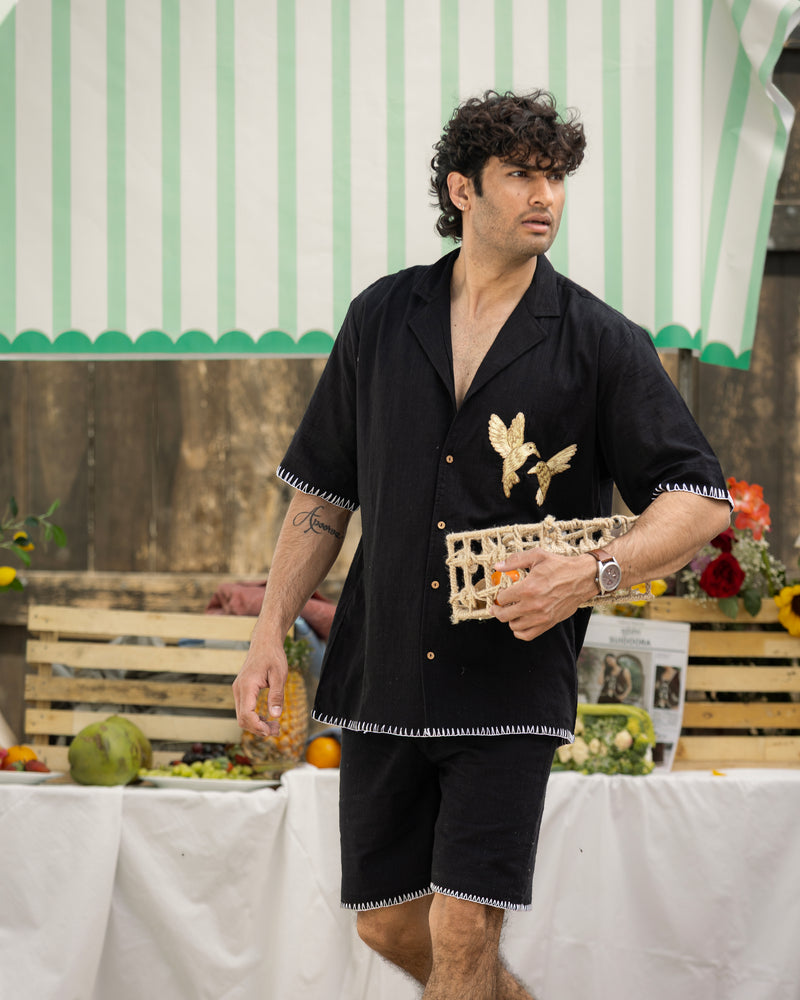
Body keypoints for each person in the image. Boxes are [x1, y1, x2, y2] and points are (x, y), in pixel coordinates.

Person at [233, 90, 732, 999]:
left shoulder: (600, 342)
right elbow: (320, 499)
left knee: (463, 926)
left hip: (508, 676)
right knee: (390, 922)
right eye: (521, 176)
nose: (545, 196)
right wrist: (268, 632)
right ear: (462, 189)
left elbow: (700, 501)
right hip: (381, 670)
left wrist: (592, 572)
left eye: (556, 177)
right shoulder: (380, 319)